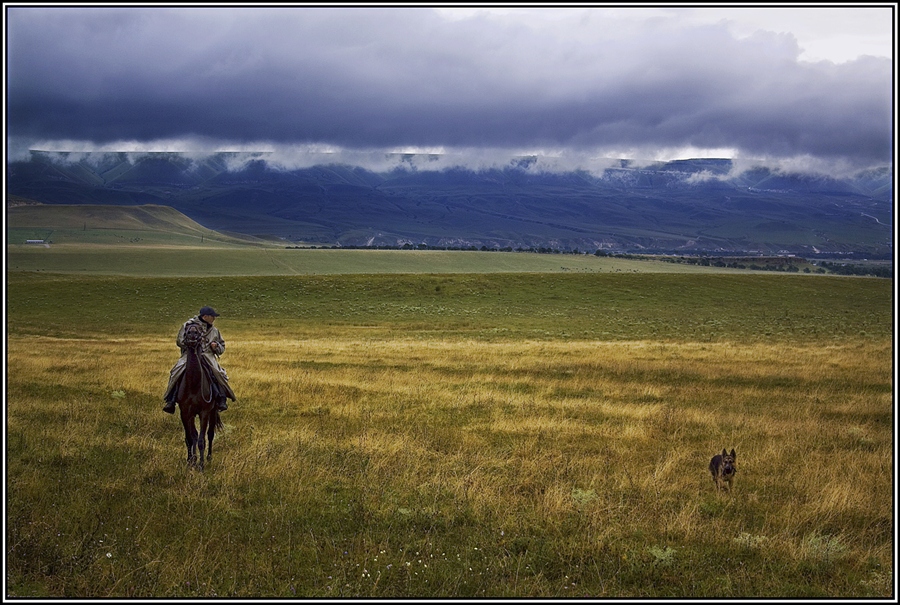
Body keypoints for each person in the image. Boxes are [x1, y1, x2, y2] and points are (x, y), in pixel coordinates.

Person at [163, 306, 236, 414]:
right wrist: (191, 344)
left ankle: (222, 398)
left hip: (208, 355)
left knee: (219, 373)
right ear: (205, 316)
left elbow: (222, 347)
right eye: (213, 316)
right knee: (176, 371)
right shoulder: (188, 325)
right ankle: (171, 399)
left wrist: (216, 347)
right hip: (190, 354)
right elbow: (179, 341)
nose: (214, 319)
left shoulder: (215, 331)